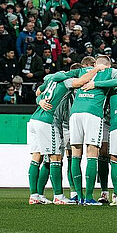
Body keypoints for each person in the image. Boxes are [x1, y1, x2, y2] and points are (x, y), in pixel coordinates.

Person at [28, 64, 97, 204]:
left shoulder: (51, 79)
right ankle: (58, 196)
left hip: (34, 120)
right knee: (55, 158)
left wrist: (39, 101)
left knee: (38, 157)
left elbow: (37, 92)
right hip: (52, 122)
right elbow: (80, 82)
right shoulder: (67, 82)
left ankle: (35, 195)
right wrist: (96, 70)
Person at [67, 56, 117, 205]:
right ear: (108, 65)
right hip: (93, 113)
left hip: (75, 113)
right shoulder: (108, 73)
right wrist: (98, 84)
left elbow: (61, 76)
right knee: (92, 154)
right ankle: (88, 197)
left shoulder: (82, 71)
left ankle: (78, 196)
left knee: (76, 155)